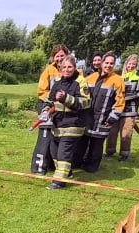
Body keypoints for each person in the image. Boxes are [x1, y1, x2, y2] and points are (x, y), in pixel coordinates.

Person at [40, 53, 91, 189]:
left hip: (74, 124)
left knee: (63, 153)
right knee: (54, 152)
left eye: (70, 67)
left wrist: (66, 98)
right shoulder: (57, 82)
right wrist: (45, 111)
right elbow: (49, 100)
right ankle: (67, 173)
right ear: (60, 68)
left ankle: (58, 182)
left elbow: (85, 103)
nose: (67, 70)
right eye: (64, 67)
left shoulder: (80, 82)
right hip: (58, 124)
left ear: (74, 68)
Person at [81, 52, 125, 173]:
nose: (109, 65)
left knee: (97, 145)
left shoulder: (117, 80)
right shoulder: (91, 77)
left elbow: (120, 102)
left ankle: (92, 167)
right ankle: (81, 162)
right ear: (102, 63)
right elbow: (81, 92)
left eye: (111, 63)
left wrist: (112, 118)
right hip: (88, 118)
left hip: (103, 119)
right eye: (107, 63)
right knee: (83, 142)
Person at [30, 44, 70, 175]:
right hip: (47, 107)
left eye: (62, 56)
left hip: (65, 109)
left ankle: (54, 166)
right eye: (57, 56)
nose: (59, 59)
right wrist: (52, 102)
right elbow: (41, 91)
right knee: (45, 137)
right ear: (53, 57)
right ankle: (39, 167)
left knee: (58, 138)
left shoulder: (73, 70)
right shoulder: (48, 70)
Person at [106, 54, 139, 161]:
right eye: (130, 63)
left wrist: (123, 99)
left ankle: (124, 154)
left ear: (137, 66)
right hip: (117, 109)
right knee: (112, 131)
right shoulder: (120, 77)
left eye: (134, 64)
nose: (131, 66)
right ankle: (110, 151)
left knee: (126, 132)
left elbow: (138, 94)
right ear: (126, 64)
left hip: (130, 110)